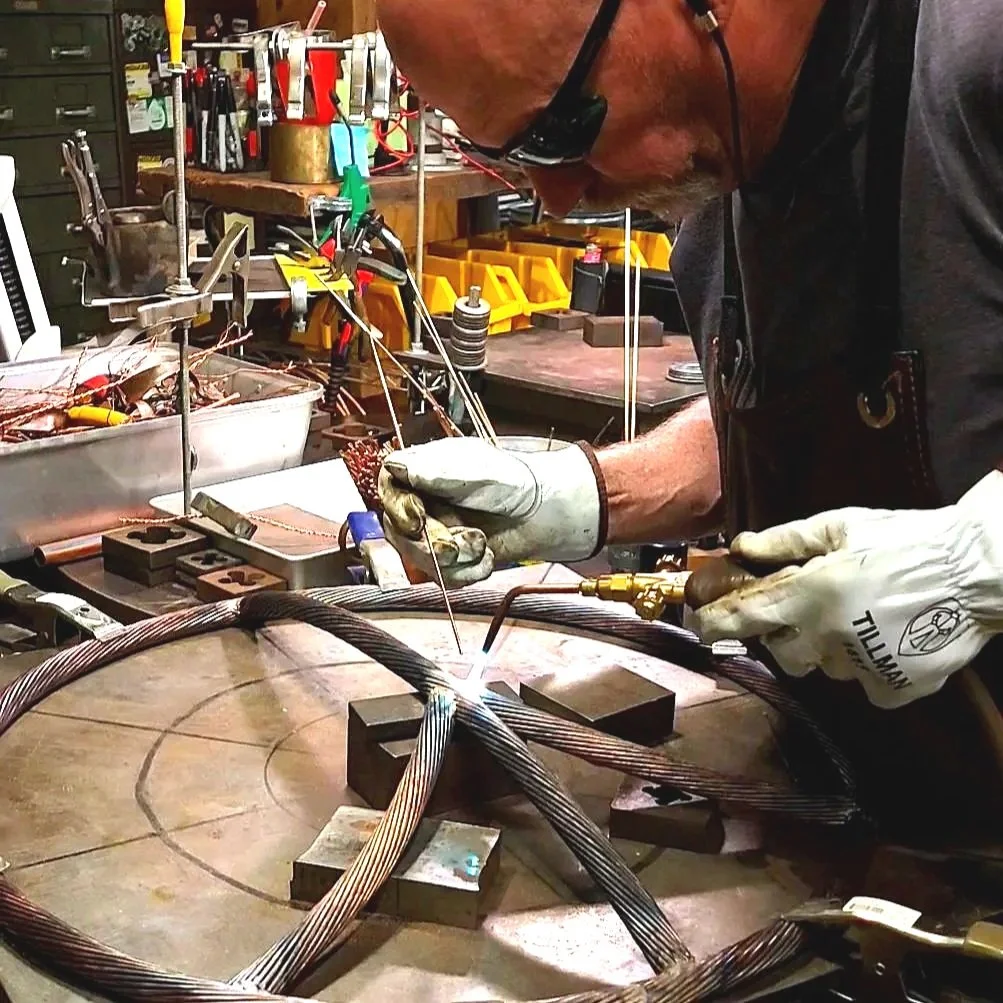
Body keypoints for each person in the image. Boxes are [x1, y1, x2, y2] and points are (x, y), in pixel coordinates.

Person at [374, 0, 1003, 810]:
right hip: (857, 810)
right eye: (502, 152)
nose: (557, 197)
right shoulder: (712, 157)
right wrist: (587, 494)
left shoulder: (975, 52)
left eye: (561, 127)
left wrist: (978, 560)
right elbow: (779, 419)